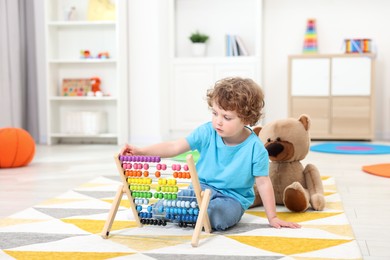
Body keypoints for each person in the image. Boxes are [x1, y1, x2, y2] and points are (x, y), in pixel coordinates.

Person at [121, 77, 301, 231]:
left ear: (246, 118)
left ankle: (191, 215)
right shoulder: (207, 132)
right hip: (199, 189)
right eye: (215, 113)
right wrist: (141, 151)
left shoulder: (256, 148)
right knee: (177, 201)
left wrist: (272, 217)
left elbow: (263, 183)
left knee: (220, 216)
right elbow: (175, 147)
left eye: (226, 117)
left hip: (232, 198)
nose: (218, 122)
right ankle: (160, 211)